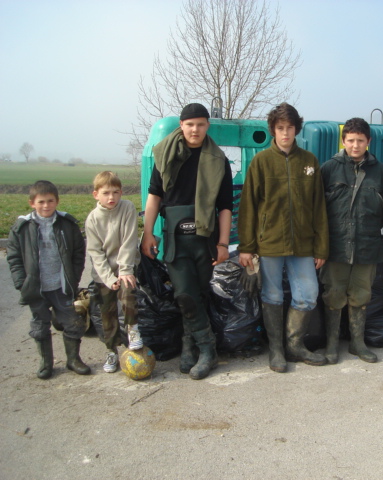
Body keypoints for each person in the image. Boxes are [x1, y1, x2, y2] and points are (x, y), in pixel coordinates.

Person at [141, 103, 233, 380]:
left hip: (206, 238)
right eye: (190, 124)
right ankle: (208, 349)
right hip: (175, 239)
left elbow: (225, 206)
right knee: (184, 294)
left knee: (199, 294)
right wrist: (148, 232)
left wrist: (223, 244)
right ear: (181, 125)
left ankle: (188, 346)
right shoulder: (164, 155)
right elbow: (154, 196)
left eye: (201, 124)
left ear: (207, 126)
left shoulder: (219, 160)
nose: (195, 129)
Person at [238, 102, 329, 373]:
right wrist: (246, 247)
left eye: (290, 127)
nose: (285, 133)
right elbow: (248, 207)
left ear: (296, 129)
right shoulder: (261, 162)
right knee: (272, 295)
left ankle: (295, 346)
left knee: (308, 295)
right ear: (273, 130)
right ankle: (276, 350)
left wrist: (321, 247)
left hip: (303, 243)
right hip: (270, 243)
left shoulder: (309, 161)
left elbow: (319, 208)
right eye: (280, 128)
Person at [319, 118, 383, 364]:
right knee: (333, 294)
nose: (355, 145)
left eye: (360, 140)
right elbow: (317, 209)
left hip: (367, 246)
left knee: (361, 294)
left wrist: (367, 231)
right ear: (343, 141)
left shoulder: (381, 171)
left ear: (368, 141)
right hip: (336, 246)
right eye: (350, 140)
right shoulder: (329, 169)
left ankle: (357, 343)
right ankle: (331, 343)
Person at [7, 180, 90, 379]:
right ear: (32, 203)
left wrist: (73, 279)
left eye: (50, 201)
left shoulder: (67, 224)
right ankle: (46, 363)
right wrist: (22, 283)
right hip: (37, 289)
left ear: (57, 201)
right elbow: (14, 257)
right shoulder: (22, 228)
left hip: (61, 287)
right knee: (40, 326)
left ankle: (73, 359)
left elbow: (78, 253)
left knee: (73, 323)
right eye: (41, 202)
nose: (46, 205)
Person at [85, 171, 142, 373]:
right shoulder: (92, 219)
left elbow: (129, 240)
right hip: (104, 273)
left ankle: (133, 329)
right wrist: (109, 279)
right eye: (106, 193)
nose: (111, 197)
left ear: (121, 192)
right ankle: (111, 351)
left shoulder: (127, 208)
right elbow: (95, 253)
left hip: (125, 267)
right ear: (96, 194)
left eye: (116, 192)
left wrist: (125, 270)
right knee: (107, 313)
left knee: (128, 293)